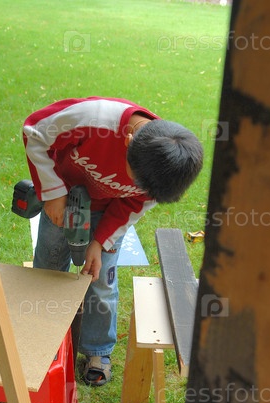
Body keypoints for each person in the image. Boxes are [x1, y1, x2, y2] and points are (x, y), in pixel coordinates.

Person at [22, 97, 203, 386]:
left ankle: (97, 349)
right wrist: (53, 191)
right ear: (128, 142)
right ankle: (42, 336)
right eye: (136, 180)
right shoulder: (93, 119)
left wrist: (100, 241)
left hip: (108, 212)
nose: (139, 188)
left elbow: (132, 206)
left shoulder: (163, 172)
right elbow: (35, 133)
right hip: (63, 198)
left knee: (101, 279)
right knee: (49, 265)